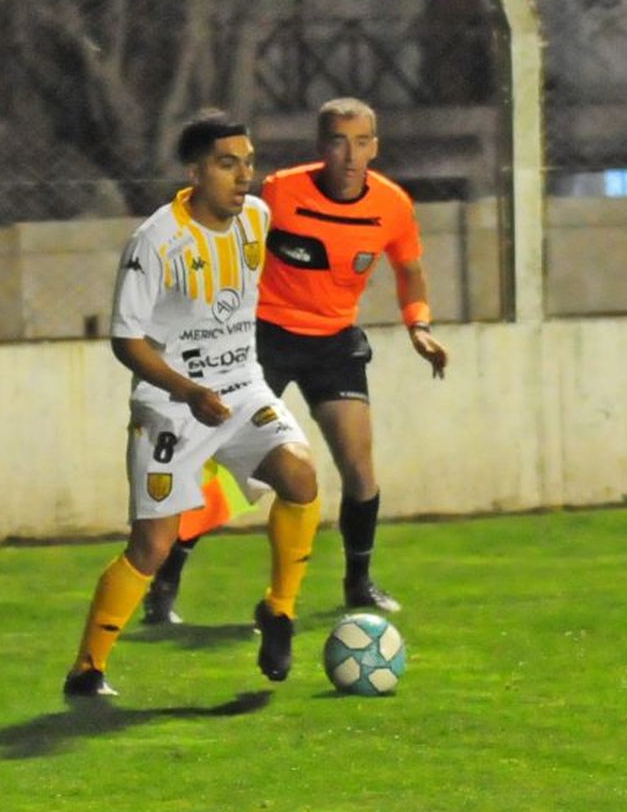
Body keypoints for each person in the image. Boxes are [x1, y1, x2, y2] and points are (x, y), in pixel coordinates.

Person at [143, 96, 448, 625]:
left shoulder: (393, 204)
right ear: (320, 146)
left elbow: (410, 271)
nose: (349, 154)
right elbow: (226, 234)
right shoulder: (283, 192)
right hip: (265, 337)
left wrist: (418, 325)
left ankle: (359, 582)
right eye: (337, 141)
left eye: (360, 142)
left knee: (359, 467)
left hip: (333, 343)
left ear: (374, 147)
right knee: (224, 471)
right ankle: (166, 579)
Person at [63, 110, 321, 697]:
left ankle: (279, 611)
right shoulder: (156, 241)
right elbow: (126, 340)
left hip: (241, 387)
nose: (243, 177)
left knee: (300, 475)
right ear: (196, 171)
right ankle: (88, 668)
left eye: (249, 163)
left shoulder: (256, 220)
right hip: (171, 405)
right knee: (152, 546)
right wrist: (187, 390)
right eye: (228, 164)